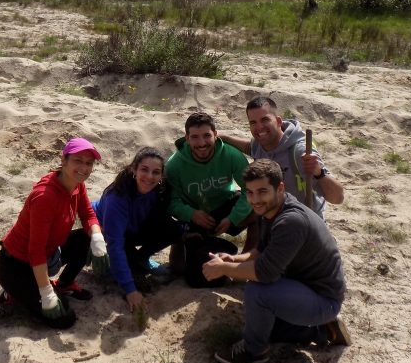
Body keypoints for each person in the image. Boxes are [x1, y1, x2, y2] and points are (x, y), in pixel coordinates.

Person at [203, 159, 350, 363]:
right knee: (265, 326)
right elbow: (260, 252)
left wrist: (224, 268)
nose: (255, 200)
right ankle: (323, 330)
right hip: (300, 286)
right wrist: (233, 259)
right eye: (250, 193)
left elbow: (264, 273)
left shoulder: (291, 221)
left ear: (280, 188)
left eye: (262, 191)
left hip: (323, 297)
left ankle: (254, 351)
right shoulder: (269, 210)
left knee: (257, 291)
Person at [0, 138, 107, 329]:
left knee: (85, 238)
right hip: (17, 265)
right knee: (65, 318)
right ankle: (12, 294)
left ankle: (64, 284)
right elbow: (35, 250)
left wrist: (97, 238)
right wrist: (46, 292)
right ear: (64, 160)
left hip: (48, 254)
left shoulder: (77, 184)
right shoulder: (45, 197)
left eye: (89, 163)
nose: (84, 168)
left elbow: (88, 215)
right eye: (78, 161)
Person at [165, 111, 252, 285]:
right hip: (195, 212)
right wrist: (191, 214)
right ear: (187, 138)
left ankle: (247, 261)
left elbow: (249, 189)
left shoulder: (231, 155)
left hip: (225, 205)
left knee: (258, 213)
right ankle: (180, 250)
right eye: (195, 137)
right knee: (181, 269)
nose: (202, 143)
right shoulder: (174, 165)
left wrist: (233, 217)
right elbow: (171, 202)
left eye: (207, 136)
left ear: (215, 134)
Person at [223, 96, 344, 219]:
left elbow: (338, 198)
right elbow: (249, 147)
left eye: (265, 120)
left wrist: (319, 172)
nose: (259, 127)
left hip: (302, 222)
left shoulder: (299, 151)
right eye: (253, 122)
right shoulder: (259, 145)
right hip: (273, 218)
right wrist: (224, 138)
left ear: (278, 121)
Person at [94, 147, 183, 312]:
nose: (149, 176)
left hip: (135, 227)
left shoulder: (159, 190)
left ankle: (141, 258)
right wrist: (130, 290)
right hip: (107, 230)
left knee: (175, 229)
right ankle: (117, 265)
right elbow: (115, 243)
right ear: (134, 170)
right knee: (122, 270)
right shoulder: (117, 197)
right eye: (144, 170)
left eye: (156, 172)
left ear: (161, 176)